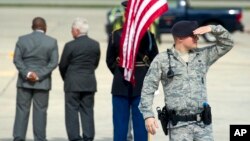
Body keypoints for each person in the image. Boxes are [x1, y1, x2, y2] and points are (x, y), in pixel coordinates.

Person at [139, 20, 234, 140]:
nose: (197, 38)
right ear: (180, 38)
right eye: (193, 36)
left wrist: (213, 28)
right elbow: (148, 88)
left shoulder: (203, 56)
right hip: (179, 126)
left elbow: (227, 44)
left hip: (203, 125)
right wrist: (148, 115)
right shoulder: (162, 60)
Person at [106, 1, 159, 141]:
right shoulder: (148, 36)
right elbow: (155, 61)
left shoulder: (116, 35)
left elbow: (110, 61)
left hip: (120, 82)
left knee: (120, 126)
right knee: (140, 126)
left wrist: (120, 72)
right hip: (141, 84)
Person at [13, 17, 59, 141]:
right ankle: (39, 138)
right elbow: (54, 62)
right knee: (40, 112)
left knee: (22, 111)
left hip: (24, 82)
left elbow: (17, 59)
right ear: (45, 28)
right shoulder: (52, 42)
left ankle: (18, 138)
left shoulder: (22, 40)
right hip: (42, 83)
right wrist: (39, 75)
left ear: (32, 27)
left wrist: (28, 74)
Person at [59, 17, 100, 141]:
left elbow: (62, 65)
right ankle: (88, 137)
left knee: (71, 111)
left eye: (72, 30)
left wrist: (66, 78)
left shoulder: (70, 46)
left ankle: (75, 137)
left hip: (72, 83)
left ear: (77, 31)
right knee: (87, 110)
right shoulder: (95, 44)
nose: (71, 32)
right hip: (89, 82)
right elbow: (95, 63)